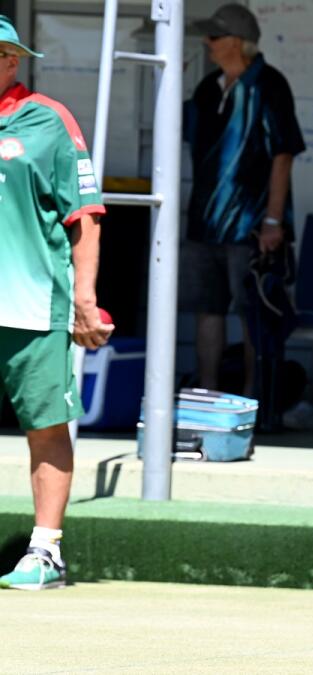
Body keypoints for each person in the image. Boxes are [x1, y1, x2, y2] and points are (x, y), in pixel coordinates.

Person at [0, 16, 111, 590]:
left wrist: (85, 299)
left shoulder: (48, 119)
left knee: (45, 426)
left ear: (12, 62)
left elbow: (84, 215)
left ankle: (46, 553)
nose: (4, 61)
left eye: (6, 54)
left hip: (32, 306)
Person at [184, 3, 305, 396]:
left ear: (237, 42)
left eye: (214, 36)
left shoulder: (269, 85)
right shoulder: (207, 88)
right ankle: (209, 395)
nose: (206, 42)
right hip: (205, 224)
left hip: (251, 227)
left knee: (253, 313)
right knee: (208, 309)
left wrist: (273, 221)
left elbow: (283, 154)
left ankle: (253, 401)